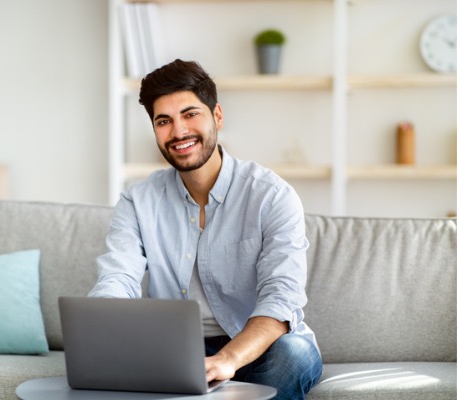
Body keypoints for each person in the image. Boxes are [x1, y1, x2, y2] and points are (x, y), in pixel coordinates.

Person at [88, 59, 322, 399]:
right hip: (174, 350)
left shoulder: (271, 196)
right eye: (164, 121)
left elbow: (280, 299)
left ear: (217, 116)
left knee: (293, 356)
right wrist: (103, 324)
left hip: (259, 347)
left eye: (190, 114)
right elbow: (117, 278)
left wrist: (227, 359)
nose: (179, 132)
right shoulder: (138, 202)